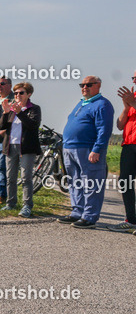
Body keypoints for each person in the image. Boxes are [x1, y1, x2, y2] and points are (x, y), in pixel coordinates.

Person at [58, 76, 114, 229]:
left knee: (91, 183)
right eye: (82, 85)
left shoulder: (102, 104)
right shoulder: (81, 103)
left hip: (88, 149)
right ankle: (77, 212)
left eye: (89, 85)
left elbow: (104, 129)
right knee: (74, 182)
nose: (84, 87)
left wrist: (97, 149)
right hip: (70, 148)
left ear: (98, 85)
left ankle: (89, 216)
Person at [0, 82, 41, 217]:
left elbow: (33, 125)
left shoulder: (34, 109)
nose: (17, 95)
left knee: (25, 178)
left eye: (21, 93)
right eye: (16, 93)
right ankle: (10, 203)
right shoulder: (11, 109)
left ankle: (27, 206)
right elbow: (1, 126)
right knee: (10, 177)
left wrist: (19, 113)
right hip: (10, 146)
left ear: (28, 94)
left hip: (26, 148)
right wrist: (6, 112)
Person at [112, 72, 136, 232]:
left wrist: (133, 102)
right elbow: (120, 125)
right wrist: (127, 106)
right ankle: (131, 219)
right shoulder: (132, 96)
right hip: (129, 145)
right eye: (133, 77)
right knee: (125, 181)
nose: (134, 80)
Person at [0, 77, 15, 206]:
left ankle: (2, 195)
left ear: (10, 85)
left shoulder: (14, 99)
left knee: (2, 167)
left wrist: (5, 130)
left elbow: (14, 118)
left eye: (2, 83)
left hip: (5, 138)